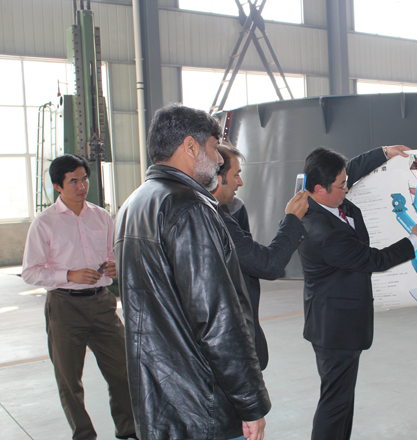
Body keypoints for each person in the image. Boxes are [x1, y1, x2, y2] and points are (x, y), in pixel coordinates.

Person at [113, 104, 270, 440]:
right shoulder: (189, 208)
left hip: (160, 403)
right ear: (190, 146)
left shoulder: (133, 205)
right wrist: (250, 403)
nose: (218, 160)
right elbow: (216, 320)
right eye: (214, 148)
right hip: (203, 407)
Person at [298, 145, 417, 440]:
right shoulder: (323, 231)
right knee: (335, 403)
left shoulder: (318, 197)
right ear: (320, 189)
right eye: (341, 186)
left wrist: (383, 153)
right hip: (336, 329)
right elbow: (375, 260)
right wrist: (415, 240)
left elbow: (350, 171)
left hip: (337, 322)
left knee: (342, 400)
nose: (347, 188)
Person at [22, 154, 136, 440]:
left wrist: (115, 266)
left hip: (102, 304)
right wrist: (69, 275)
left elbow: (111, 254)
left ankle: (129, 429)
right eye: (73, 181)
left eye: (84, 179)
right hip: (64, 307)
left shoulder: (101, 216)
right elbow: (30, 272)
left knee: (123, 371)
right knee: (69, 380)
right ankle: (84, 434)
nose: (82, 186)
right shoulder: (44, 223)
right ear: (57, 186)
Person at [211, 145, 309, 370]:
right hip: (230, 348)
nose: (240, 182)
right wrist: (292, 219)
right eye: (236, 175)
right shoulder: (215, 221)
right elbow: (268, 264)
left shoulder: (223, 212)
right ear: (217, 177)